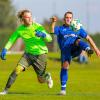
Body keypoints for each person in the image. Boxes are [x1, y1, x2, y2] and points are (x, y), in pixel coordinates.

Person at [0, 9, 53, 95]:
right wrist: (5, 49)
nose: (30, 19)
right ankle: (5, 90)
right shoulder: (20, 30)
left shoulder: (38, 26)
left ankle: (47, 77)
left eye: (30, 16)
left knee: (41, 80)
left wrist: (43, 35)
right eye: (27, 17)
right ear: (22, 19)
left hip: (40, 55)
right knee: (17, 69)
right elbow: (11, 40)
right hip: (28, 55)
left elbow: (50, 39)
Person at [50, 11, 100, 95]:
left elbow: (88, 38)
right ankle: (63, 90)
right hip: (66, 51)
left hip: (76, 49)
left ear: (72, 19)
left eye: (70, 18)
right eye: (67, 17)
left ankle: (87, 49)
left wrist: (96, 50)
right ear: (64, 19)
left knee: (78, 40)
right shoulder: (60, 29)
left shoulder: (76, 28)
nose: (68, 19)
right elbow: (51, 32)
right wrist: (53, 22)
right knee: (65, 67)